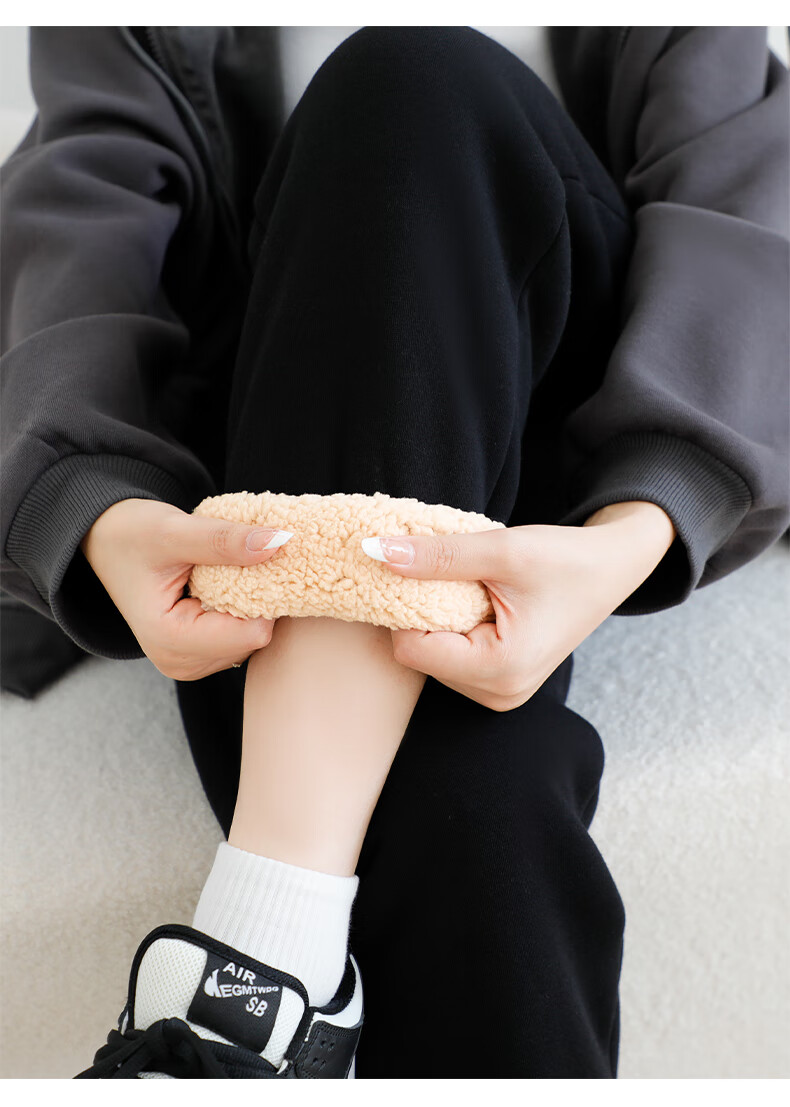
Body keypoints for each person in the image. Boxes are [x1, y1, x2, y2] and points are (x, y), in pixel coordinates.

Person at [1, 25, 787, 1080]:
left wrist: (640, 528)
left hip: (560, 427)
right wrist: (95, 507)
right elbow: (85, 205)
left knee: (414, 83)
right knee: (482, 806)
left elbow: (748, 200)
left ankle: (244, 985)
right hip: (265, 474)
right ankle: (260, 998)